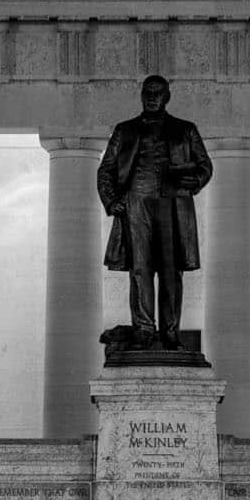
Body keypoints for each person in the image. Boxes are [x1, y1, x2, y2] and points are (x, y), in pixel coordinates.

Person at [97, 74, 212, 349]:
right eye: (147, 92)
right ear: (141, 95)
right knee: (141, 270)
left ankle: (171, 332)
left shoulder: (185, 129)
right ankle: (144, 330)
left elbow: (204, 165)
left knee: (172, 272)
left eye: (157, 92)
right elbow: (106, 170)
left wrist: (193, 181)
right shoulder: (125, 130)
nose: (151, 97)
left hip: (173, 203)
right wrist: (112, 201)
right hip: (136, 202)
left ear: (167, 96)